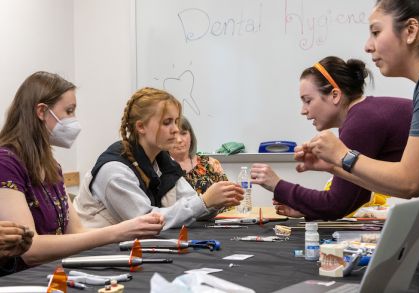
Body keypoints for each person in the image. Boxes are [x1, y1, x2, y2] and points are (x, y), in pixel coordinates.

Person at [298, 0, 419, 291]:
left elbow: (410, 181)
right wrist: (336, 164)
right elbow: (403, 181)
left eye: (375, 32)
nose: (367, 46)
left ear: (411, 30)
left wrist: (343, 156)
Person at [0, 72, 164, 273]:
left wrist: (130, 230)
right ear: (41, 111)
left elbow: (76, 232)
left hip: (53, 272)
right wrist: (120, 231)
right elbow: (30, 249)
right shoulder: (6, 163)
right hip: (19, 279)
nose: (73, 120)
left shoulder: (52, 166)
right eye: (68, 111)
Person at [250, 56, 419, 220]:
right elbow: (357, 197)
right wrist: (307, 207)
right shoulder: (363, 114)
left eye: (308, 101)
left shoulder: (360, 122)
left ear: (334, 95)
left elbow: (336, 204)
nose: (303, 110)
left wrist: (277, 185)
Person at [73, 87, 243, 229]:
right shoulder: (114, 171)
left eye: (176, 122)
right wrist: (205, 201)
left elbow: (189, 204)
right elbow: (147, 220)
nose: (175, 129)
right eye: (167, 122)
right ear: (141, 127)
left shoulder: (163, 162)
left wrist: (216, 202)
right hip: (98, 257)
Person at [170, 116, 229, 195]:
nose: (179, 140)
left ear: (191, 136)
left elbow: (228, 197)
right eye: (174, 135)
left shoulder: (211, 164)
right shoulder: (158, 169)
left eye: (183, 133)